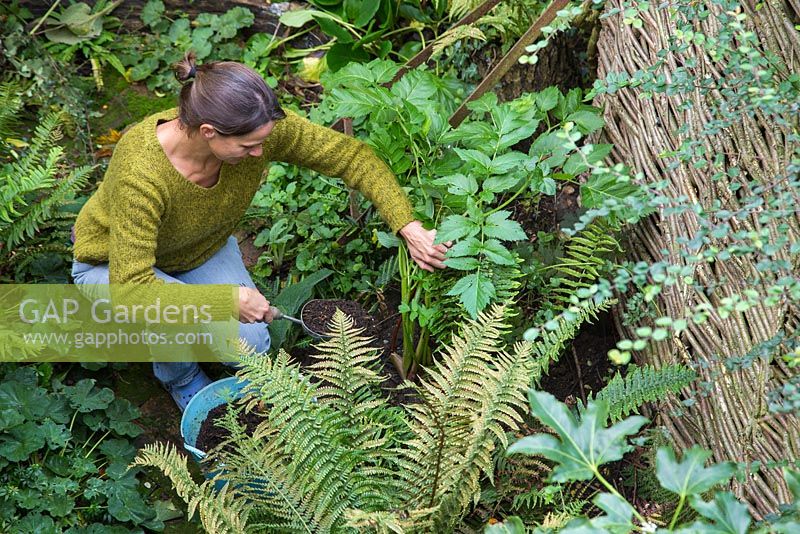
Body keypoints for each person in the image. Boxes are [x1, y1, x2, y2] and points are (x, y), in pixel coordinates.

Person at [71, 52, 450, 410]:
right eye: (249, 146)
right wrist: (224, 301)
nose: (259, 153)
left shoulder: (256, 131)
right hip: (113, 267)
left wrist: (408, 226)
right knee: (165, 314)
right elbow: (132, 289)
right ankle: (181, 378)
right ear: (208, 132)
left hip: (198, 251)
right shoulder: (141, 174)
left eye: (263, 142)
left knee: (250, 344)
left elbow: (352, 156)